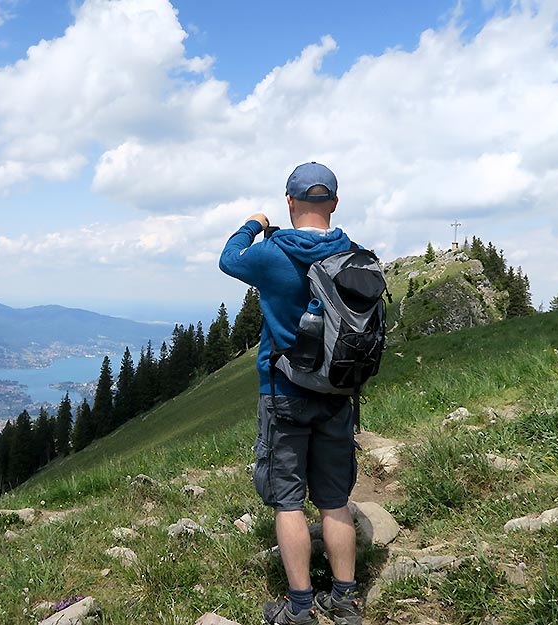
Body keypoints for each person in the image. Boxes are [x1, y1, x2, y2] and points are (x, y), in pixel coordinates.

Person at [219, 162, 362, 625]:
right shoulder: (354, 254)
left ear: (290, 202)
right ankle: (345, 600)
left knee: (288, 500)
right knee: (334, 500)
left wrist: (254, 224)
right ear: (335, 204)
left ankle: (299, 607)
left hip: (283, 391)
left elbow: (228, 258)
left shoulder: (271, 253)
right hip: (338, 391)